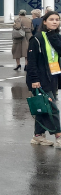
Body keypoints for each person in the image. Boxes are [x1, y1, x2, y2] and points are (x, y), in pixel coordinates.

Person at [26, 11, 61, 147]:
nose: (55, 22)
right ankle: (59, 136)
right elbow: (31, 62)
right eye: (51, 19)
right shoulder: (37, 38)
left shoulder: (56, 37)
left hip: (53, 76)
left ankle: (38, 136)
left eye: (57, 19)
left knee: (43, 106)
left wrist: (54, 37)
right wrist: (34, 79)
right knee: (52, 108)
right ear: (44, 22)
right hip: (40, 78)